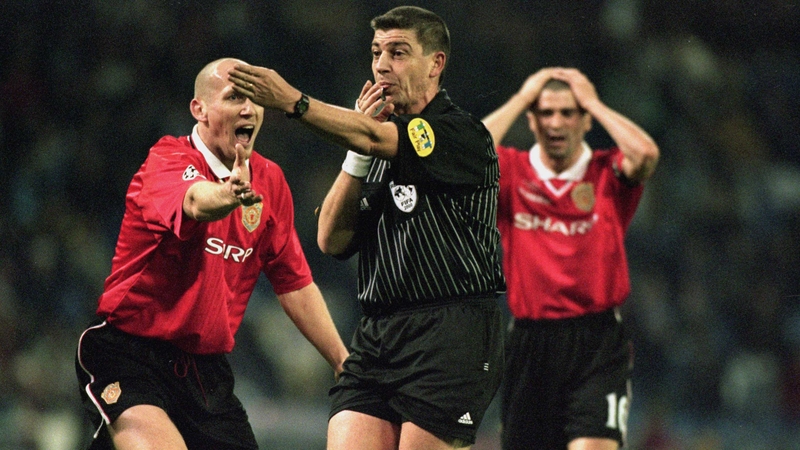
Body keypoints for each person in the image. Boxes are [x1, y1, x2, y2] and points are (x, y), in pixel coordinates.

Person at [227, 6, 506, 449]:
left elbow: (376, 137)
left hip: (450, 334)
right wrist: (356, 155)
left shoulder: (461, 134)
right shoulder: (373, 145)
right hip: (378, 334)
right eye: (377, 52)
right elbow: (331, 239)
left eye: (398, 52)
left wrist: (294, 102)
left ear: (435, 63)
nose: (381, 65)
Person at [74, 57, 349, 450]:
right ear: (199, 109)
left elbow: (294, 284)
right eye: (234, 96)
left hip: (206, 375)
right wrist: (229, 193)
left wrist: (341, 361)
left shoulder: (271, 181)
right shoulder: (167, 159)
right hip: (130, 355)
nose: (248, 108)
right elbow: (195, 202)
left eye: (255, 99)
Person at [481, 67, 660, 450]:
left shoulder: (607, 172)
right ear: (532, 120)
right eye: (545, 113)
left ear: (586, 119)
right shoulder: (512, 171)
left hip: (597, 343)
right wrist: (520, 98)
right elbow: (465, 153)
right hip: (529, 342)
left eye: (568, 112)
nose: (556, 123)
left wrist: (594, 101)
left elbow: (645, 153)